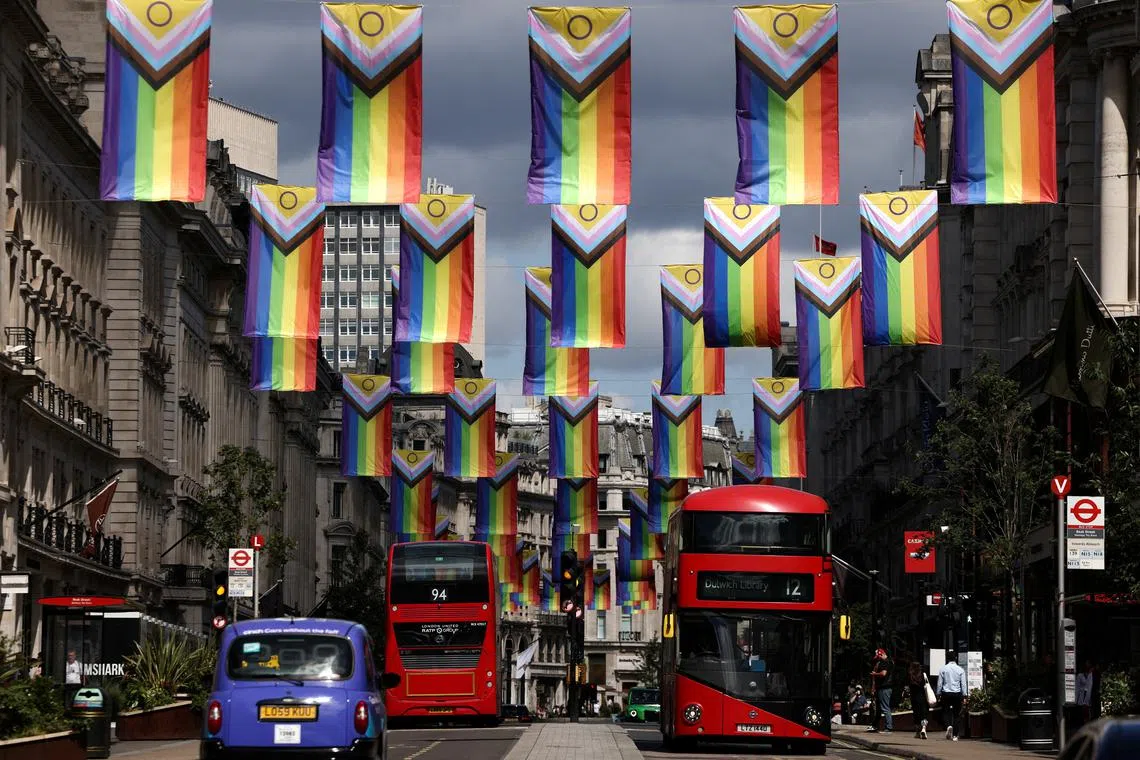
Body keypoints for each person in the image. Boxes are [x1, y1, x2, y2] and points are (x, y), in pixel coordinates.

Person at [937, 652, 967, 741]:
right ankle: (955, 735)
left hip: (946, 693)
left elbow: (939, 683)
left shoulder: (943, 669)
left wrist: (938, 693)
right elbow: (963, 684)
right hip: (957, 694)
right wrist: (964, 695)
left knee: (945, 711)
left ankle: (948, 726)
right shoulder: (960, 670)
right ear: (956, 658)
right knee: (956, 714)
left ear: (947, 659)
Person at [868, 649, 892, 733]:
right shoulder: (886, 662)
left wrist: (874, 674)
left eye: (878, 657)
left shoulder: (885, 662)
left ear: (881, 654)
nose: (878, 659)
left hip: (884, 688)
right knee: (878, 709)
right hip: (882, 688)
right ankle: (874, 725)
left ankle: (888, 727)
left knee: (885, 708)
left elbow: (883, 673)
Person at [908, 661, 931, 739]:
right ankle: (924, 729)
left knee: (916, 714)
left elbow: (909, 687)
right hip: (923, 697)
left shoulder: (910, 676)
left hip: (914, 698)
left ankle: (917, 732)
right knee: (923, 713)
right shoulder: (922, 675)